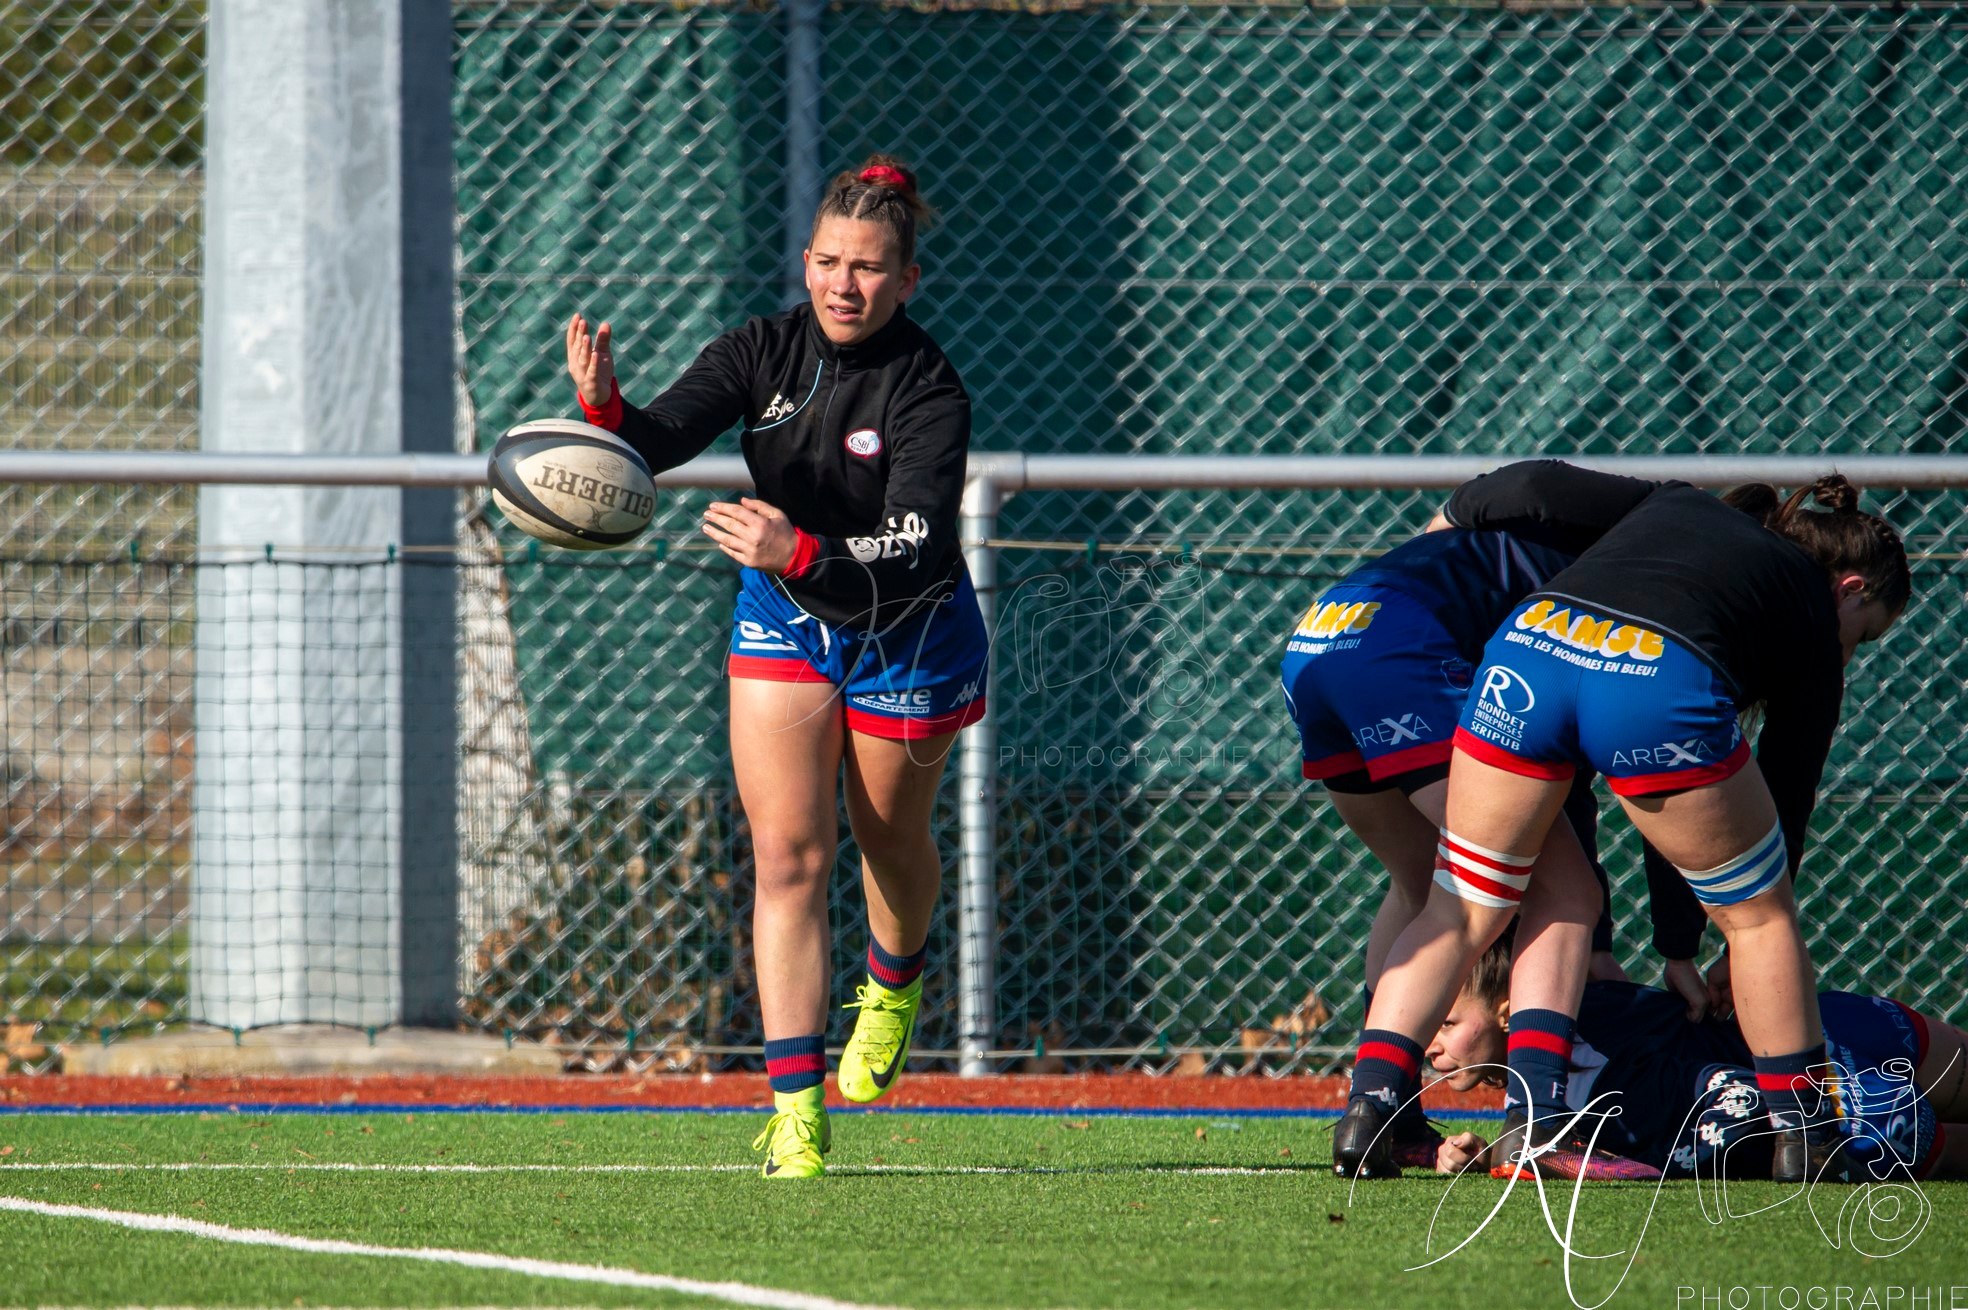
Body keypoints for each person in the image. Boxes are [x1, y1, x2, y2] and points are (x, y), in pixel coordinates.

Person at [563, 155, 985, 1179]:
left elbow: (918, 542)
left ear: (907, 281)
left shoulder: (929, 387)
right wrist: (608, 413)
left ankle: (894, 976)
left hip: (906, 624)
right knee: (789, 855)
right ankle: (796, 1110)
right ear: (806, 262)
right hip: (788, 616)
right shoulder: (761, 350)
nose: (847, 283)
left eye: (872, 267)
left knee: (890, 840)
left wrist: (794, 547)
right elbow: (659, 439)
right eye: (831, 261)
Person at [1334, 460, 1911, 1184]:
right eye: (1869, 632)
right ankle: (1808, 1138)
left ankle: (1371, 1111)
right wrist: (1692, 944)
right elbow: (1784, 785)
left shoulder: (1674, 507)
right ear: (1850, 589)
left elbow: (1538, 485)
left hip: (1527, 652)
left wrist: (1451, 518)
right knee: (1761, 919)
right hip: (1653, 671)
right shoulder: (1804, 610)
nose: (1855, 647)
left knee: (1462, 904)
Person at [1282, 525, 1652, 1177]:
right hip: (1399, 649)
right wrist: (1601, 944)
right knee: (1566, 894)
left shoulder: (1546, 538)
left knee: (1422, 884)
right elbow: (1567, 757)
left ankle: (1382, 1119)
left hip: (1322, 634)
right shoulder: (1633, 578)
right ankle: (1535, 1126)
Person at [1426, 938, 1968, 1181]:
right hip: (1826, 1100)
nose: (1430, 1047)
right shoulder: (1538, 1095)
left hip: (1833, 1081)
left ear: (1507, 1014)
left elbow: (1736, 1098)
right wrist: (1491, 1155)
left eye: (1447, 1024)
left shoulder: (1592, 1025)